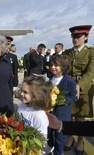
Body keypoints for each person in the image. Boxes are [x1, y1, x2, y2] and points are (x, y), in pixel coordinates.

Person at [62, 25, 94, 155]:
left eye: (78, 36)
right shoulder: (67, 53)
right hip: (68, 88)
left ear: (86, 37)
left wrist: (79, 85)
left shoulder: (91, 52)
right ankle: (70, 137)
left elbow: (91, 71)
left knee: (80, 117)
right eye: (73, 36)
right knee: (69, 115)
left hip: (84, 88)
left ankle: (80, 140)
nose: (75, 39)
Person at [47, 55, 78, 155]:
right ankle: (49, 148)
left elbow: (74, 97)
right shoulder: (49, 79)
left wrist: (62, 100)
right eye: (51, 65)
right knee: (49, 132)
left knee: (60, 136)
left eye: (56, 65)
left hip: (62, 113)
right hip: (50, 112)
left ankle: (58, 152)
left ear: (63, 67)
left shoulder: (69, 81)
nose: (53, 67)